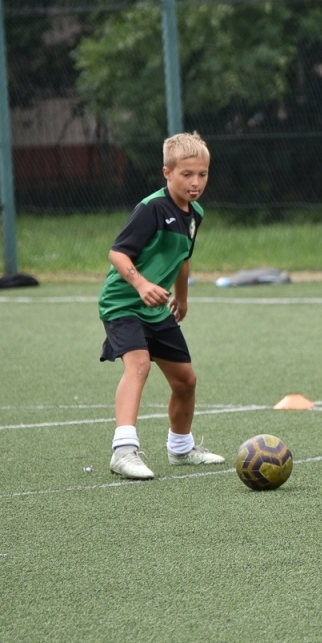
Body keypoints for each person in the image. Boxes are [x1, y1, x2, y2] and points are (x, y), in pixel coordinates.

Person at [97, 132, 225, 480]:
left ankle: (181, 448)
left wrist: (181, 296)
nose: (196, 182)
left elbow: (183, 258)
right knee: (138, 365)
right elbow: (117, 253)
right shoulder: (152, 208)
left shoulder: (195, 212)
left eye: (202, 174)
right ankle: (123, 451)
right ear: (167, 172)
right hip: (123, 302)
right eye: (187, 175)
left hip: (157, 309)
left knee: (185, 381)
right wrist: (140, 284)